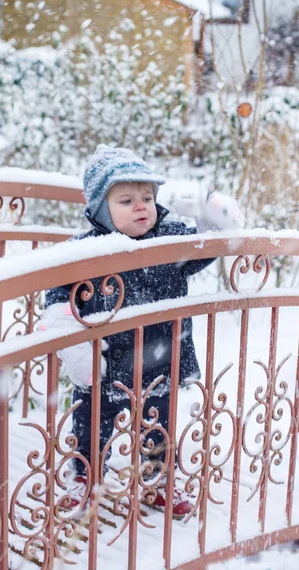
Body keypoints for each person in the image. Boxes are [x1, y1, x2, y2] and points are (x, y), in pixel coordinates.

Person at [43, 144, 235, 518]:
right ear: (100, 209)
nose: (141, 206)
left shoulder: (169, 240)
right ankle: (85, 479)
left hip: (158, 362)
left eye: (147, 197)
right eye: (126, 200)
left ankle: (160, 480)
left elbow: (203, 250)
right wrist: (70, 338)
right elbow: (57, 297)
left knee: (158, 430)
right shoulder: (83, 252)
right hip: (102, 368)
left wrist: (214, 221)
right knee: (90, 430)